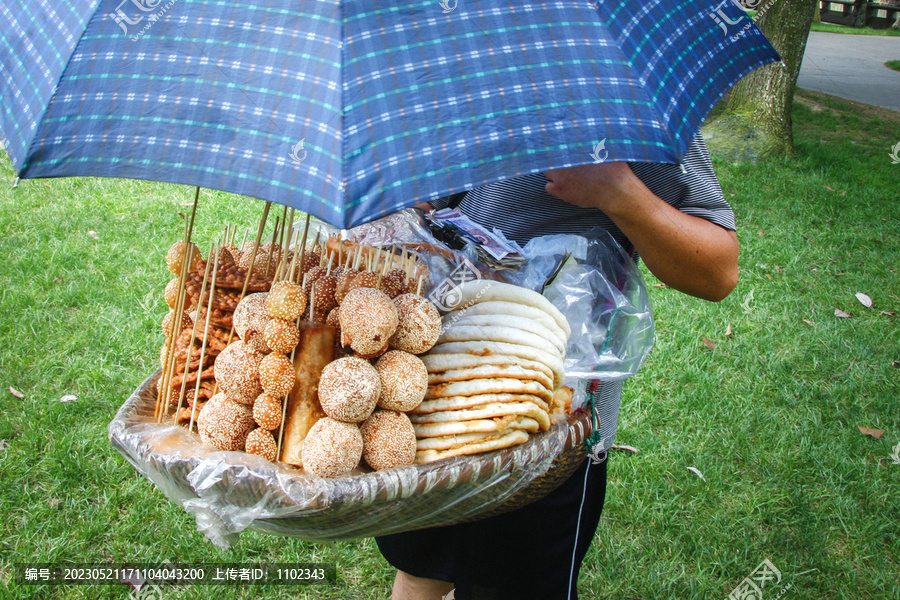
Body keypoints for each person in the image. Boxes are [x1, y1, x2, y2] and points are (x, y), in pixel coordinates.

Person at [375, 132, 739, 600]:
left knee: (509, 584)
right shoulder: (467, 72)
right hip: (436, 390)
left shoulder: (632, 104)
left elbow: (718, 271)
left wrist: (616, 189)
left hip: (551, 421)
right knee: (421, 567)